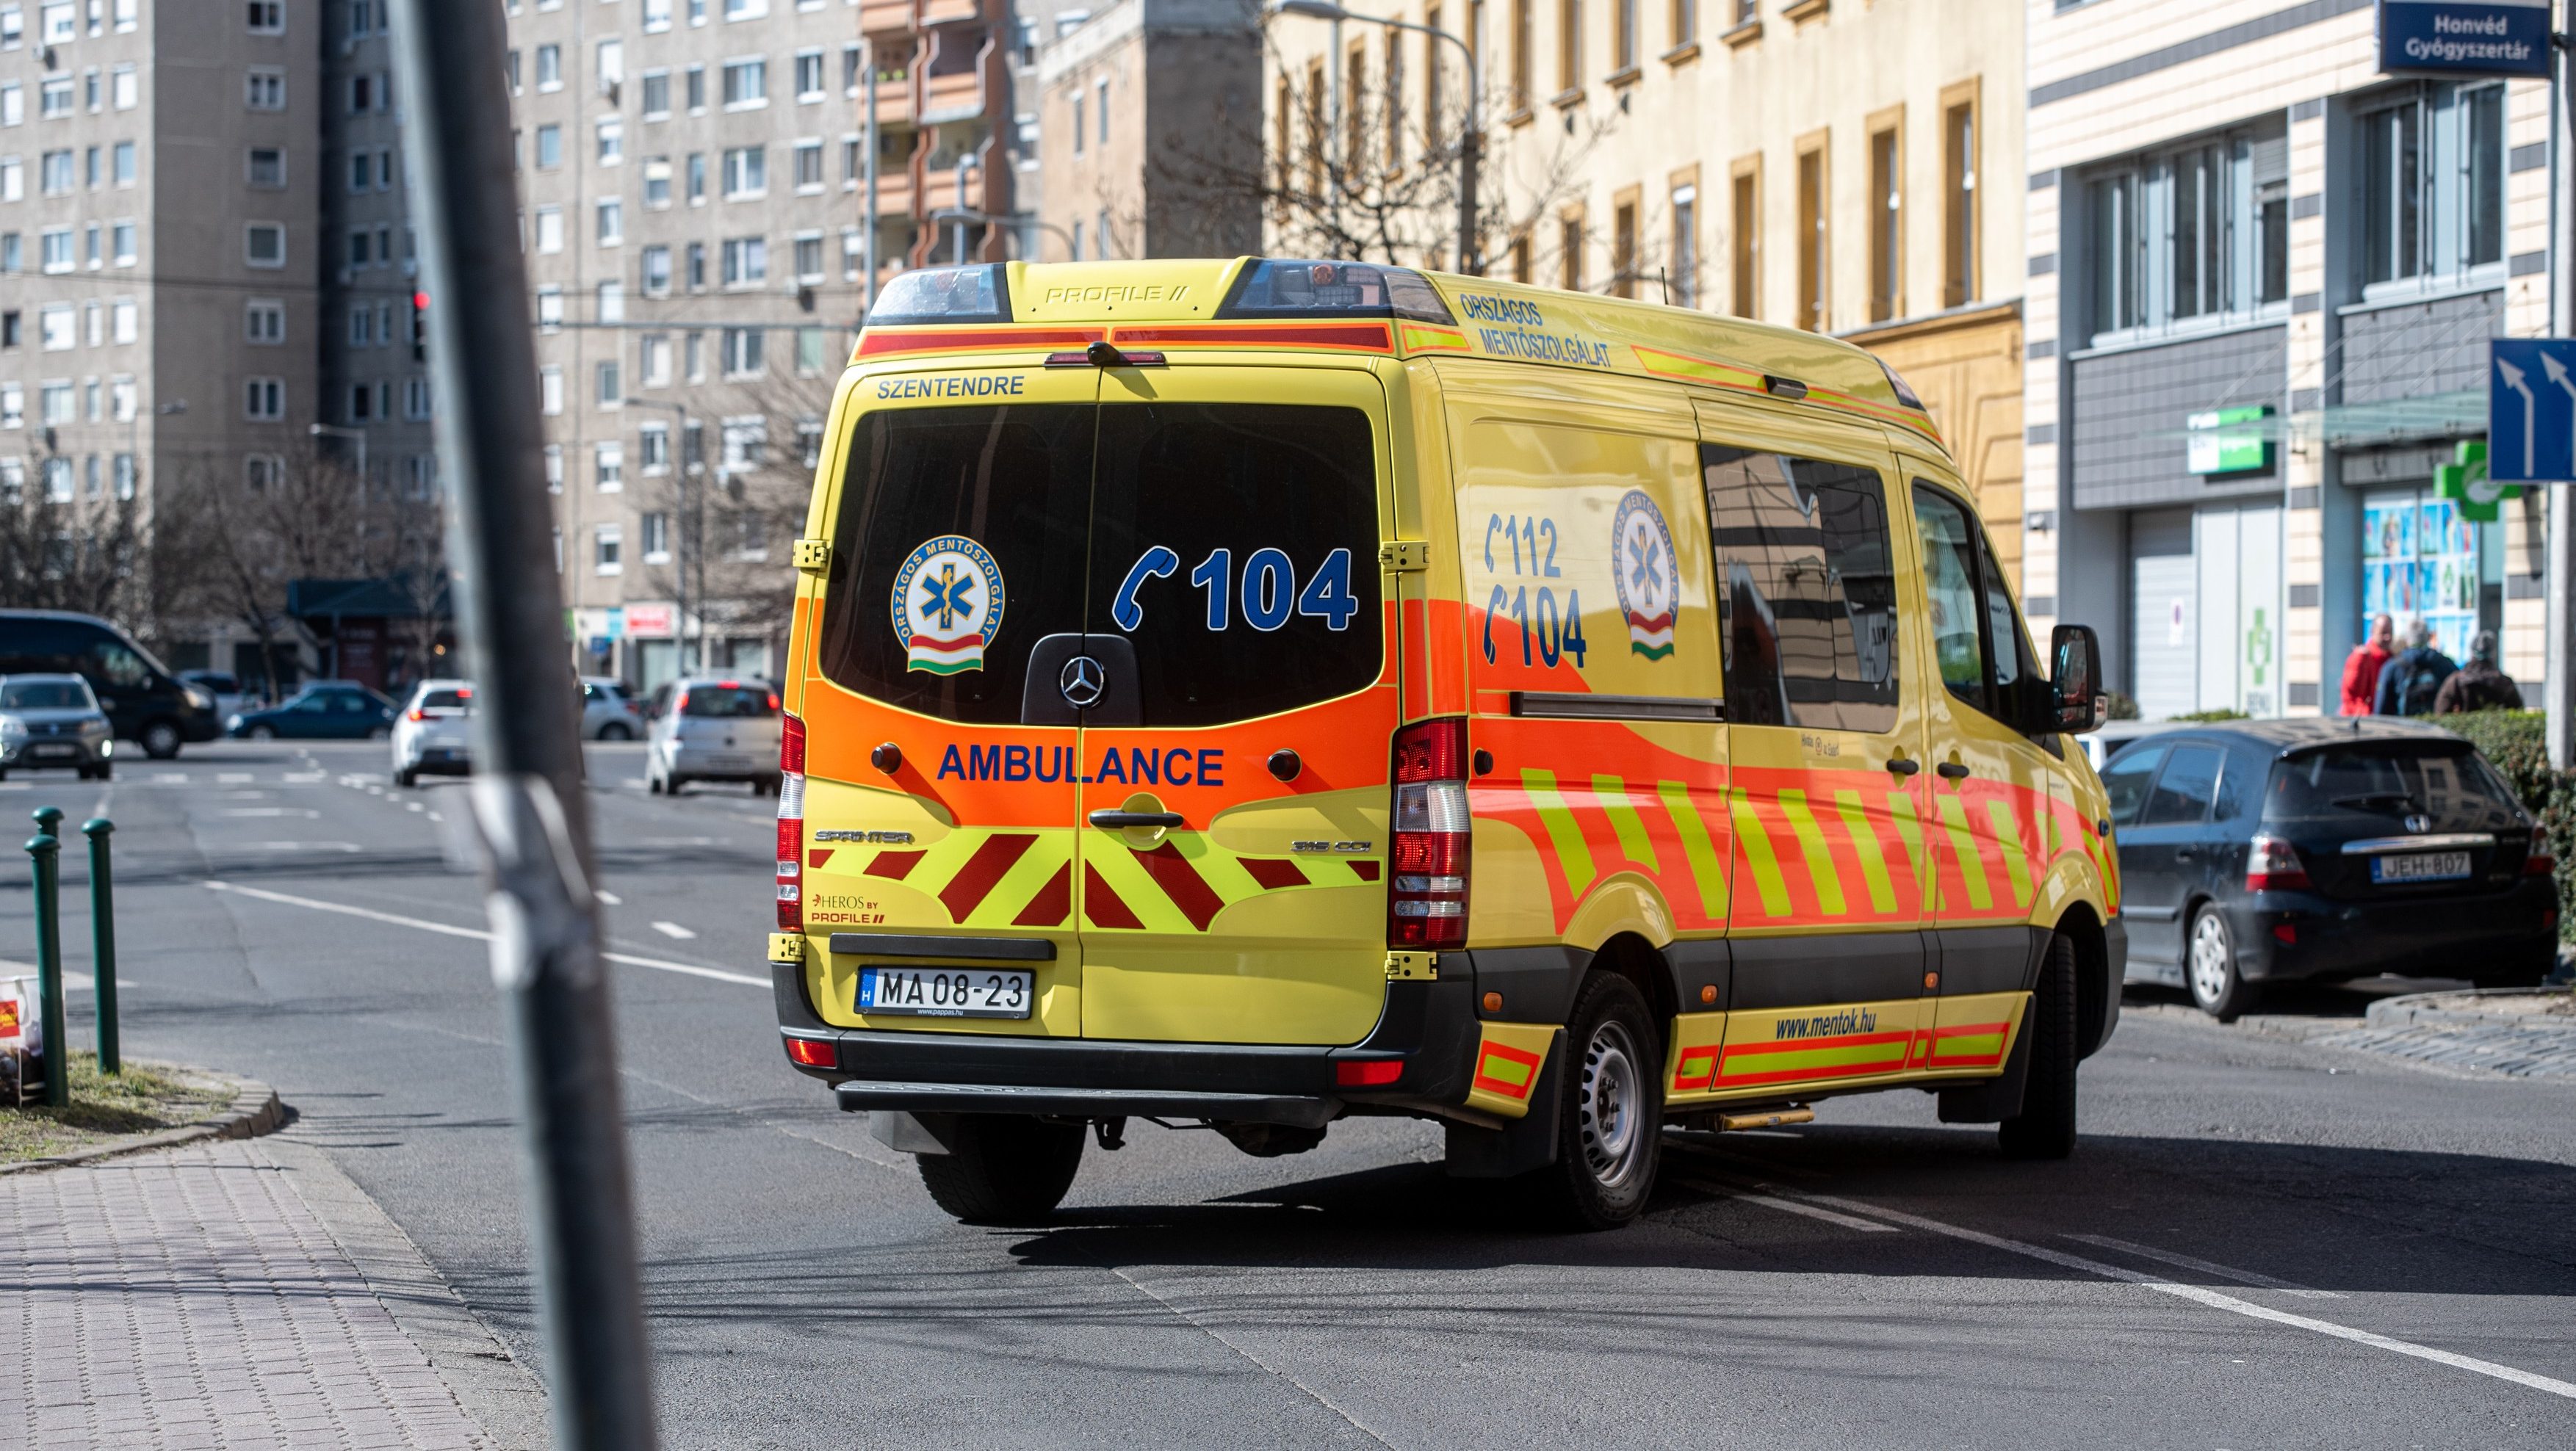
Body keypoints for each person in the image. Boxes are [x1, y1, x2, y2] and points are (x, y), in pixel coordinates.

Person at [2375, 618, 2458, 717]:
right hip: (2435, 725)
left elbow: (2381, 710)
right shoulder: (2445, 664)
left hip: (2402, 725)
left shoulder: (2391, 667)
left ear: (2406, 639)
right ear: (2428, 637)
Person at [2434, 630, 2522, 714]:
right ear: (2493, 653)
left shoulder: (2456, 680)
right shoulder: (2503, 681)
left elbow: (2440, 712)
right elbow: (2517, 712)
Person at [2341, 612, 2394, 716]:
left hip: (2382, 719)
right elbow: (2352, 691)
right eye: (2383, 633)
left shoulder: (2391, 659)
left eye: (2390, 632)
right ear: (2373, 631)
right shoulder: (2362, 657)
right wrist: (2360, 660)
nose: (2388, 637)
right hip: (2361, 720)